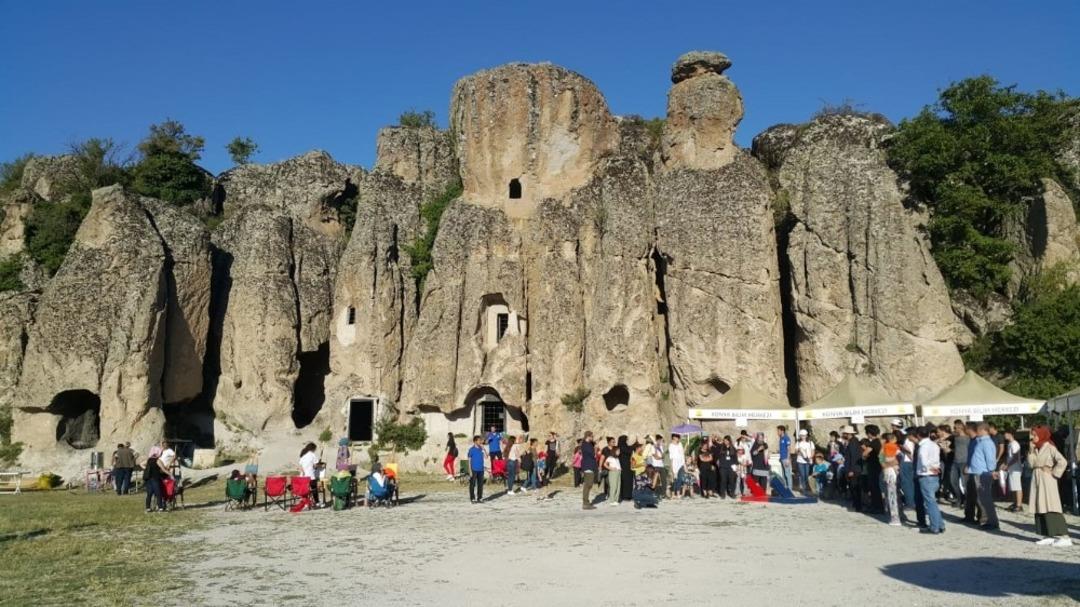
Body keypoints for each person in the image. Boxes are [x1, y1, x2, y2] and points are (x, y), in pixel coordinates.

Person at [1028, 425, 1071, 546]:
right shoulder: (1035, 448)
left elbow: (1063, 461)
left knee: (1050, 504)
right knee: (1040, 505)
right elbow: (1031, 464)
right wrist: (1031, 451)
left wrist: (1054, 472)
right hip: (1037, 477)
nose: (1033, 437)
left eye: (1035, 435)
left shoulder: (1050, 447)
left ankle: (1064, 536)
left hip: (1047, 479)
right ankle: (1048, 534)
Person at [968, 422, 1000, 530]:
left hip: (983, 473)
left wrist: (991, 471)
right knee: (983, 499)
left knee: (986, 499)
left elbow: (990, 459)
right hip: (979, 472)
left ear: (982, 430)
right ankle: (990, 521)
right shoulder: (981, 442)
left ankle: (993, 522)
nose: (976, 432)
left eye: (977, 430)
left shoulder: (986, 443)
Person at [915, 425, 944, 534]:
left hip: (926, 475)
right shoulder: (934, 444)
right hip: (934, 475)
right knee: (932, 502)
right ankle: (940, 524)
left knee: (929, 502)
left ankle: (934, 526)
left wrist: (929, 468)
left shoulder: (923, 446)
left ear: (918, 435)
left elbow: (924, 461)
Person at [1000, 428, 1024, 512]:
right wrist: (1005, 463)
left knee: (1017, 487)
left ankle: (1019, 505)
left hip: (1015, 469)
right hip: (1011, 468)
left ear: (1010, 434)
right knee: (1013, 486)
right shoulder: (1010, 444)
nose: (1004, 435)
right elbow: (1009, 457)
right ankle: (1015, 503)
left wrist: (1008, 465)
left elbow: (1015, 457)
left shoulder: (1014, 444)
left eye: (1005, 433)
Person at [881, 433, 901, 526]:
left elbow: (881, 460)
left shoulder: (884, 448)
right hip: (892, 471)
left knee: (891, 493)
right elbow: (899, 458)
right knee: (894, 493)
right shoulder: (893, 447)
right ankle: (896, 516)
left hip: (888, 471)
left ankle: (894, 516)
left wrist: (886, 465)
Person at [841, 426, 863, 511]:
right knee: (853, 487)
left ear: (848, 434)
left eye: (845, 433)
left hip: (854, 469)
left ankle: (858, 506)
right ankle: (855, 504)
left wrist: (851, 470)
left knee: (855, 488)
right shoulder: (851, 442)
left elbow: (854, 457)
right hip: (853, 468)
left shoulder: (853, 442)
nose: (843, 435)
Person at [863, 425, 884, 514]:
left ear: (870, 434)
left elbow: (865, 453)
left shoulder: (873, 442)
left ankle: (877, 507)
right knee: (877, 487)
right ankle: (878, 506)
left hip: (873, 467)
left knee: (874, 487)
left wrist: (865, 457)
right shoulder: (880, 442)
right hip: (878, 467)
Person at [950, 419, 970, 507]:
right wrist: (950, 450)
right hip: (955, 462)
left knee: (965, 484)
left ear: (960, 428)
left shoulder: (967, 438)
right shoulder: (955, 438)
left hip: (964, 462)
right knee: (953, 481)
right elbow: (957, 449)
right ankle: (959, 499)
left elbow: (970, 451)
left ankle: (967, 501)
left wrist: (968, 464)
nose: (954, 429)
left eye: (955, 428)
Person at [143, 446, 167, 513]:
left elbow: (141, 464)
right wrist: (170, 475)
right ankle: (160, 508)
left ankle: (148, 508)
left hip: (148, 479)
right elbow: (163, 469)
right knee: (158, 493)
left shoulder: (149, 460)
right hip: (155, 478)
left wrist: (146, 469)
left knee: (149, 494)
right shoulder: (157, 460)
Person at [580, 431, 598, 510]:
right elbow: (593, 454)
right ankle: (585, 503)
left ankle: (586, 502)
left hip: (589, 465)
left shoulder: (586, 444)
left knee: (588, 485)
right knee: (588, 485)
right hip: (588, 466)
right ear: (588, 436)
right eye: (592, 436)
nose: (592, 438)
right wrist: (596, 449)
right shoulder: (586, 445)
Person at [299, 442, 320, 507]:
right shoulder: (312, 455)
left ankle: (306, 502)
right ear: (313, 448)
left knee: (305, 490)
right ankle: (317, 502)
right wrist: (316, 467)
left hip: (303, 477)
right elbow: (315, 465)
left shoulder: (303, 455)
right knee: (314, 489)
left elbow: (301, 467)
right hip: (311, 476)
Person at [795, 429, 815, 495]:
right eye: (802, 435)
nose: (803, 437)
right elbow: (796, 451)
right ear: (800, 436)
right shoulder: (798, 443)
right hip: (800, 461)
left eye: (804, 435)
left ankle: (806, 487)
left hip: (808, 461)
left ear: (806, 436)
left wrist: (810, 457)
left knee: (806, 475)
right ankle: (804, 489)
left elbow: (813, 450)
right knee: (802, 475)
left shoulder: (810, 442)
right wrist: (800, 453)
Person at [468, 435, 486, 503]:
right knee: (472, 484)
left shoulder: (481, 449)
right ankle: (472, 498)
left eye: (480, 440)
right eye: (479, 440)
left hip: (481, 469)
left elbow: (486, 457)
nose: (480, 441)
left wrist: (484, 449)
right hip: (474, 469)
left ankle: (480, 498)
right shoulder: (471, 450)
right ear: (475, 441)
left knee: (480, 485)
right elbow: (469, 460)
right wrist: (470, 470)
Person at [617, 435, 633, 502]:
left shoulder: (622, 446)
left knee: (626, 481)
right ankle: (626, 496)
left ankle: (625, 495)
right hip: (625, 466)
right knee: (626, 481)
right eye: (626, 439)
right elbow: (629, 451)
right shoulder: (622, 446)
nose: (627, 441)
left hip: (625, 466)